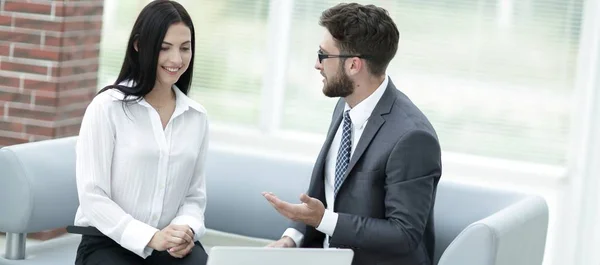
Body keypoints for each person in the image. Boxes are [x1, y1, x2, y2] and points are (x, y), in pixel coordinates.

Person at [263, 3, 442, 265]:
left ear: (354, 65)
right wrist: (292, 238)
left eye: (323, 55)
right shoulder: (345, 105)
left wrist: (324, 220)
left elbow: (404, 235)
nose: (316, 64)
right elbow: (327, 196)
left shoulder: (412, 137)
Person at [72, 1, 209, 264]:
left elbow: (194, 196)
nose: (176, 60)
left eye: (185, 48)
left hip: (169, 244)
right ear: (139, 45)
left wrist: (186, 230)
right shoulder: (107, 107)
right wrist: (149, 237)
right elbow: (92, 196)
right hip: (108, 242)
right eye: (164, 48)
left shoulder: (196, 117)